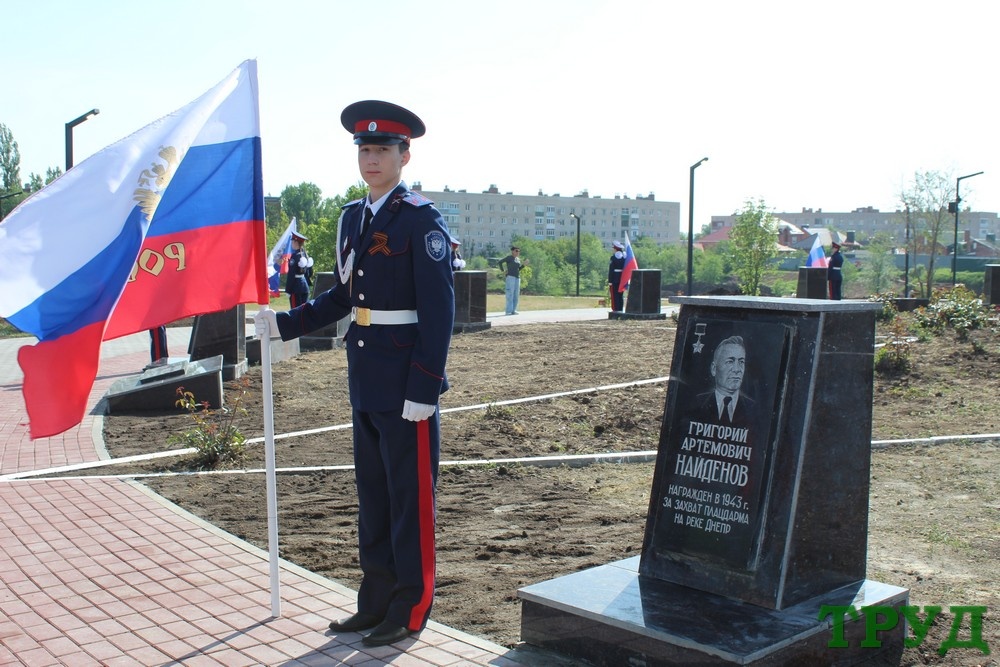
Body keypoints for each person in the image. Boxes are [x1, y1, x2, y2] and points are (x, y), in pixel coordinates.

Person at [255, 100, 454, 648]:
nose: (371, 158)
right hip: (365, 374)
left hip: (406, 381)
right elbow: (344, 296)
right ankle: (375, 602)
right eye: (364, 149)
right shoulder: (351, 217)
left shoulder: (420, 220)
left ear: (404, 155)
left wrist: (425, 386)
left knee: (410, 499)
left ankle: (410, 607)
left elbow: (439, 313)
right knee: (374, 495)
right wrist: (284, 325)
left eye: (381, 150)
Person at [696, 335, 753, 426]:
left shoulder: (754, 408)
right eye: (730, 362)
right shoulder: (697, 403)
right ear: (714, 369)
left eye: (741, 362)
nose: (737, 369)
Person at [285, 231, 313, 308]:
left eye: (292, 241)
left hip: (295, 288)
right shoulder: (305, 255)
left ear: (296, 242)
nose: (292, 243)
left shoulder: (294, 257)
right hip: (305, 287)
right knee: (304, 311)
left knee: (295, 312)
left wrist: (288, 290)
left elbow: (291, 274)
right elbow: (310, 273)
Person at [498, 245, 525, 315]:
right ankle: (508, 310)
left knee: (516, 294)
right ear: (512, 251)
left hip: (517, 277)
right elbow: (500, 262)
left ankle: (514, 310)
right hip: (510, 277)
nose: (518, 252)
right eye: (516, 251)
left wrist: (524, 265)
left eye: (519, 251)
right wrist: (503, 270)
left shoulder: (518, 259)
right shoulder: (509, 258)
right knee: (510, 293)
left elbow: (518, 269)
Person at [607, 241, 626, 312]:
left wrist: (610, 280)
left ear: (615, 249)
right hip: (622, 278)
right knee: (621, 295)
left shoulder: (613, 258)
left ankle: (616, 309)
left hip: (615, 278)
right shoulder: (624, 257)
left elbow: (611, 270)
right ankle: (620, 309)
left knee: (615, 294)